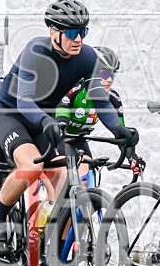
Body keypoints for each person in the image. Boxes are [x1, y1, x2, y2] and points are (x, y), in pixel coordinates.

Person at [0, 0, 138, 264]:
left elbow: (100, 100)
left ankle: (49, 245)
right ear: (53, 32)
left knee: (68, 178)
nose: (77, 38)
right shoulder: (36, 51)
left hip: (45, 119)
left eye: (83, 32)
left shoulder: (88, 57)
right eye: (70, 33)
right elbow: (24, 100)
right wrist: (46, 122)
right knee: (32, 167)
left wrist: (118, 130)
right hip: (10, 113)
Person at [55, 46, 141, 181]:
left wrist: (132, 159)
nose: (109, 80)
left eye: (113, 75)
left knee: (89, 177)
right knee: (70, 177)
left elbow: (121, 135)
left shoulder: (113, 99)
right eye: (104, 74)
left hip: (78, 139)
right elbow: (61, 117)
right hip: (57, 137)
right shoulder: (74, 89)